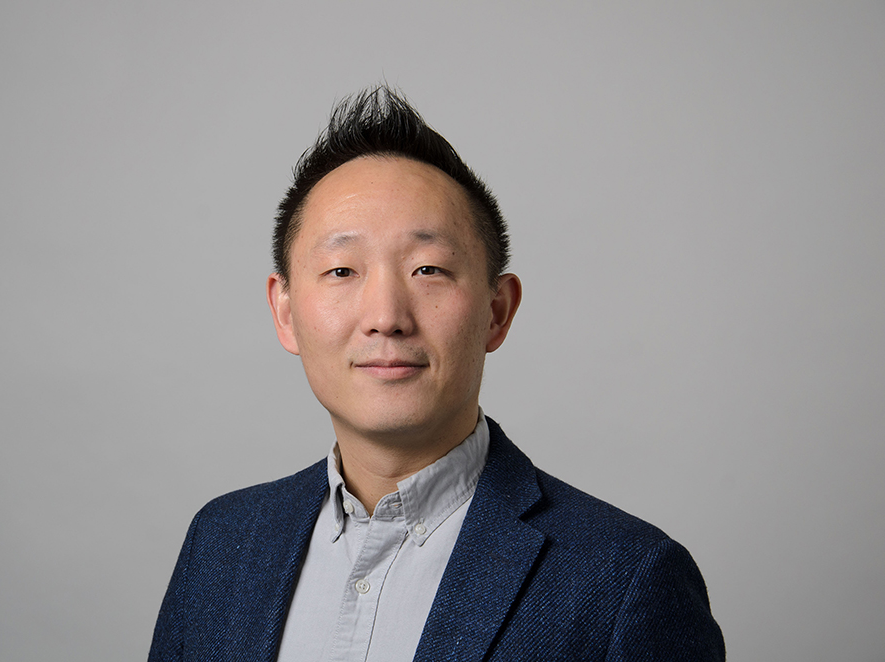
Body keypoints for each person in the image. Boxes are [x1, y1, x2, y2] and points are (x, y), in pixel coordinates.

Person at [148, 87, 725, 662]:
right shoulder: (221, 546)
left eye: (429, 269)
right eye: (342, 269)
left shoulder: (624, 581)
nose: (386, 318)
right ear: (285, 312)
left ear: (496, 312)